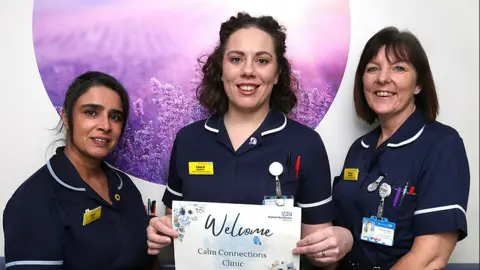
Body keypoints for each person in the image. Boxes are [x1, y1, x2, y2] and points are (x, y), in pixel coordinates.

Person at [146, 12, 353, 269]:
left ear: (277, 74)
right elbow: (174, 234)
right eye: (236, 59)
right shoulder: (189, 140)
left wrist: (340, 241)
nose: (247, 71)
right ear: (221, 69)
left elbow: (321, 258)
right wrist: (160, 233)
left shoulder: (306, 144)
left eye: (262, 60)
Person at [332, 26, 470, 269]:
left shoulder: (442, 145)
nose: (382, 78)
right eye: (373, 68)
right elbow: (344, 231)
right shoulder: (358, 149)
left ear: (419, 85)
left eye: (399, 68)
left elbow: (430, 257)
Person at [3, 71, 155, 269]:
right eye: (91, 112)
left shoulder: (123, 185)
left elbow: (147, 259)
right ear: (66, 118)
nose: (105, 126)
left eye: (115, 116)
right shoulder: (32, 201)